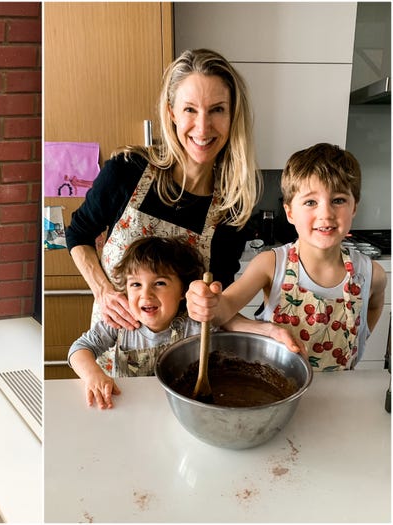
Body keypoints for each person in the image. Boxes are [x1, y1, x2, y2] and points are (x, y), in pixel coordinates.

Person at [65, 48, 261, 331]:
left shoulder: (232, 208)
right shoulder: (127, 170)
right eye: (190, 109)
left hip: (180, 364)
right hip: (109, 357)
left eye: (217, 109)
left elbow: (218, 308)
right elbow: (78, 233)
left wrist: (267, 329)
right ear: (172, 114)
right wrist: (102, 290)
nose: (203, 127)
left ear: (232, 116)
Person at [186, 143, 387, 372]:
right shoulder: (271, 265)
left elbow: (374, 306)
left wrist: (360, 339)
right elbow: (224, 309)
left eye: (338, 200)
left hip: (339, 392)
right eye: (311, 202)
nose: (326, 214)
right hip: (278, 390)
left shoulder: (371, 274)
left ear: (354, 208)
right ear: (289, 212)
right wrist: (207, 303)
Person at [69, 236, 305, 409]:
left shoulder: (193, 323)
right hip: (131, 406)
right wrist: (93, 375)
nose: (146, 294)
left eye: (159, 283)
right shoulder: (121, 324)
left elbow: (228, 321)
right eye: (135, 285)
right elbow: (79, 349)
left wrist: (271, 331)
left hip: (181, 408)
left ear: (182, 290)